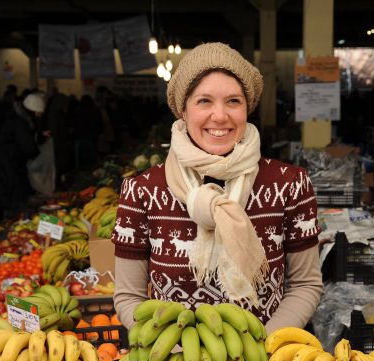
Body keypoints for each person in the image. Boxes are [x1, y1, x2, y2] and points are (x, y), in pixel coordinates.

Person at [112, 43, 323, 334]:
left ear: (248, 108)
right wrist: (170, 349)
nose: (221, 116)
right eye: (204, 101)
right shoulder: (141, 192)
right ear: (183, 110)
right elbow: (129, 296)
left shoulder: (290, 184)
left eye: (234, 101)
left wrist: (262, 348)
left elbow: (305, 284)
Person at [0, 93, 49, 217]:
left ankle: (10, 221)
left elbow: (26, 140)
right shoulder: (20, 123)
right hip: (8, 167)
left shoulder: (18, 119)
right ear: (33, 110)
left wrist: (39, 137)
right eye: (39, 113)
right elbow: (28, 146)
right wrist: (37, 152)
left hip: (8, 164)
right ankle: (10, 224)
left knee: (11, 198)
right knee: (12, 199)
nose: (39, 116)